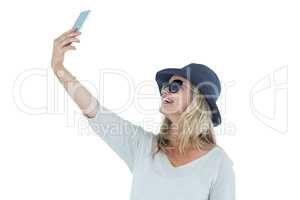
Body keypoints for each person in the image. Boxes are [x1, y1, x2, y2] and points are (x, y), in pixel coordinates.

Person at [51, 28, 235, 200]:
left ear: (198, 101)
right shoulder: (143, 147)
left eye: (175, 86)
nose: (165, 91)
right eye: (165, 87)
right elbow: (94, 110)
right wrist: (58, 66)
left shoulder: (218, 163)